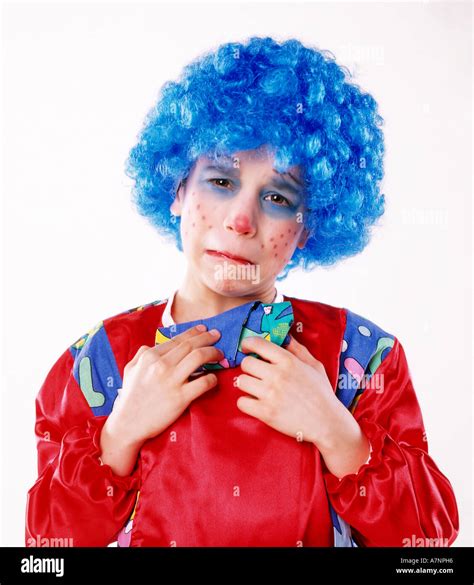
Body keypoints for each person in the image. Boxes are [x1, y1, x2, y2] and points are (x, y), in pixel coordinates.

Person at [25, 36, 459, 548]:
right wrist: (117, 439)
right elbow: (43, 556)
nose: (240, 220)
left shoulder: (360, 358)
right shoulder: (96, 363)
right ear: (178, 191)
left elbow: (428, 550)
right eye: (221, 182)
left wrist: (339, 435)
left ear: (306, 230)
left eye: (276, 197)